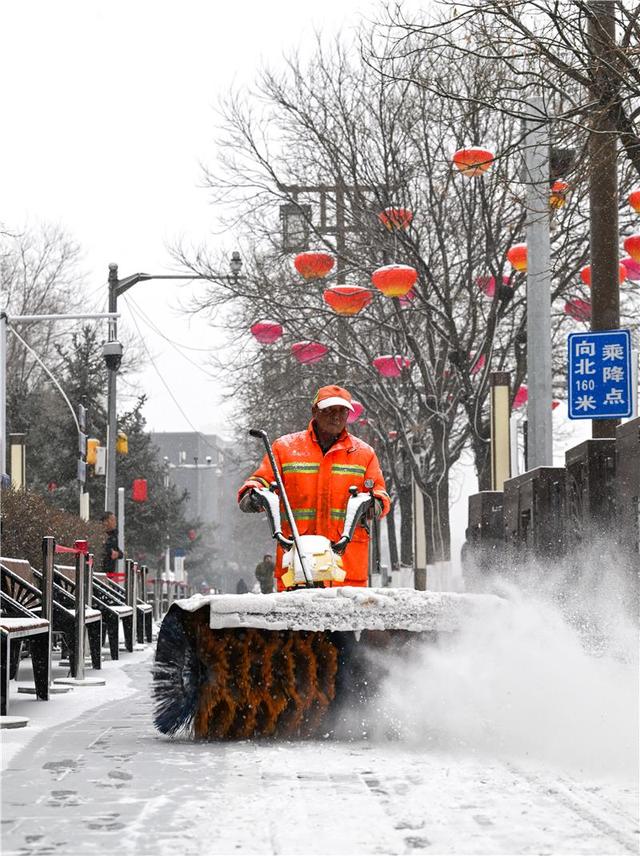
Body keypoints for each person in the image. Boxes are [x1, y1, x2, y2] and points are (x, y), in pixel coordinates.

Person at [238, 384, 390, 590]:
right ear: (314, 411)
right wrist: (252, 495)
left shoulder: (364, 454)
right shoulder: (284, 449)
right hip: (297, 566)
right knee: (295, 622)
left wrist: (375, 504)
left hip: (346, 569)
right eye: (329, 410)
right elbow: (261, 481)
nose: (336, 416)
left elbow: (379, 493)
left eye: (342, 411)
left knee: (345, 622)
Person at [101, 511, 123, 579]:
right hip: (101, 570)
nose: (115, 522)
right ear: (105, 522)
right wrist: (110, 552)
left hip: (110, 572)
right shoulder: (100, 534)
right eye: (112, 520)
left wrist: (117, 554)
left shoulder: (114, 536)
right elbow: (101, 549)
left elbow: (119, 552)